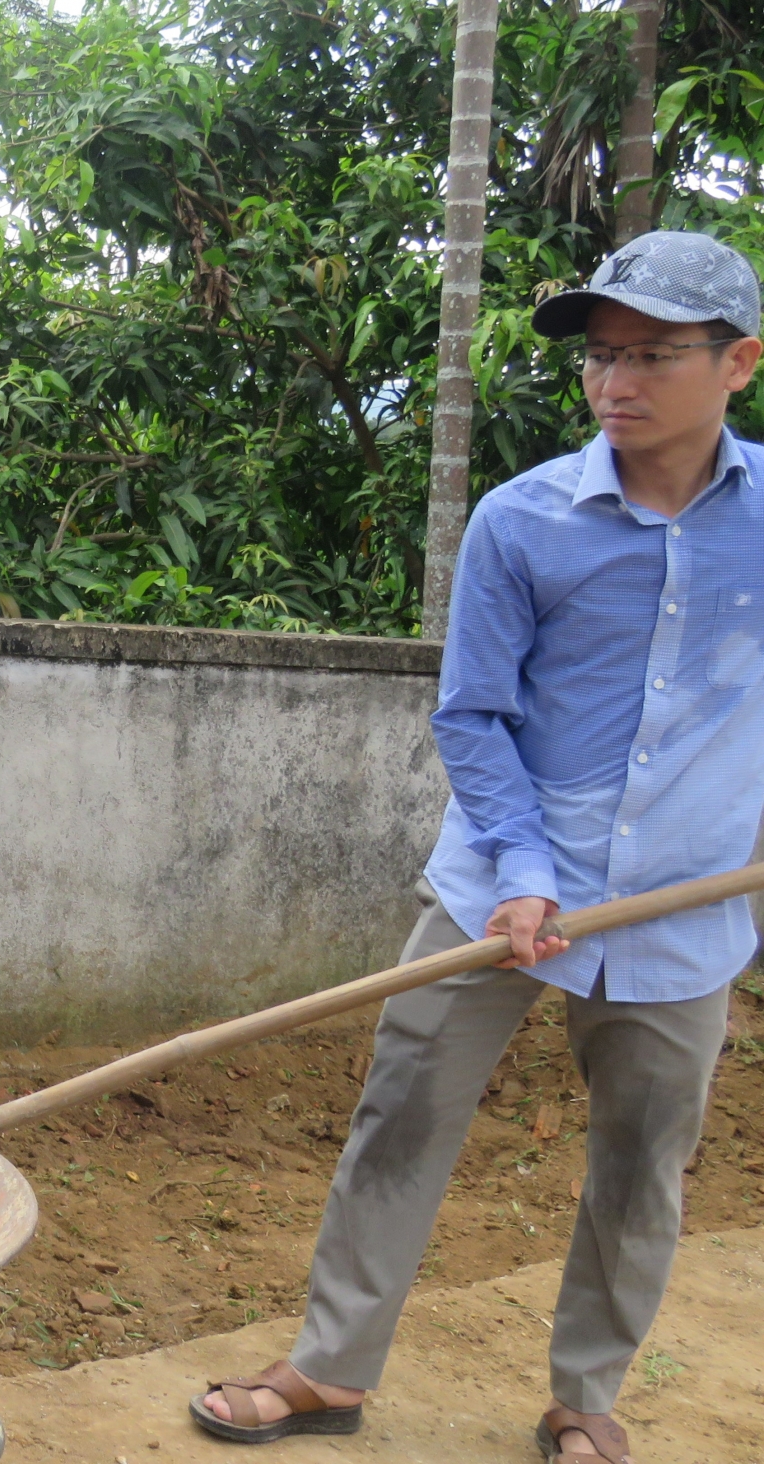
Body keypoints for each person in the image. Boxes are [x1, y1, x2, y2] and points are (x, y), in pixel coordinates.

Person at [190, 230, 763, 1463]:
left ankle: (587, 1396)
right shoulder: (524, 521)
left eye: (651, 354)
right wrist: (524, 874)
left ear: (739, 363)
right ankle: (331, 1368)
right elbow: (474, 715)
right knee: (404, 1111)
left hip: (686, 903)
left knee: (643, 1163)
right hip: (501, 882)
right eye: (601, 355)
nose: (614, 381)